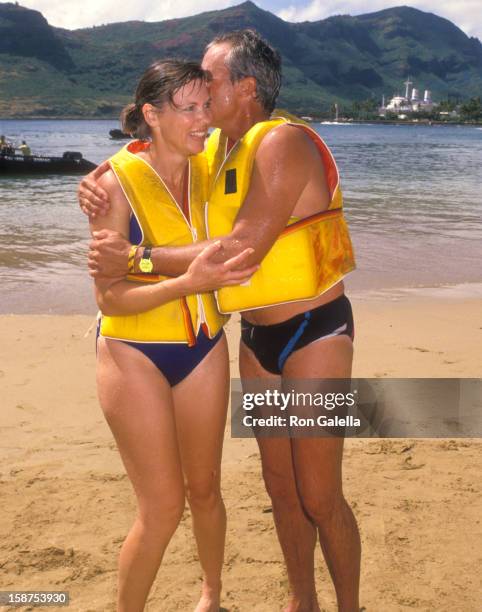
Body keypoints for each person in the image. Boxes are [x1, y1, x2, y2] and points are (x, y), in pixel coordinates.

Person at [79, 31, 361, 612]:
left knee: (320, 494)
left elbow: (240, 252)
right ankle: (300, 600)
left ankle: (350, 606)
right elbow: (153, 155)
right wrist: (97, 178)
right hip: (257, 340)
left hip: (315, 333)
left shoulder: (282, 142)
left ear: (245, 88)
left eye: (210, 83)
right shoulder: (218, 149)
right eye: (196, 92)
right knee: (280, 490)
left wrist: (134, 258)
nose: (202, 96)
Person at [89, 59, 257, 612]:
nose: (203, 120)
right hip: (133, 351)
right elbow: (109, 297)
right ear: (151, 116)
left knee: (205, 488)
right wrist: (187, 281)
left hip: (203, 344)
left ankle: (210, 594)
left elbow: (271, 126)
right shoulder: (112, 185)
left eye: (206, 106)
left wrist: (172, 272)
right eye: (188, 109)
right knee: (161, 508)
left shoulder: (214, 159)